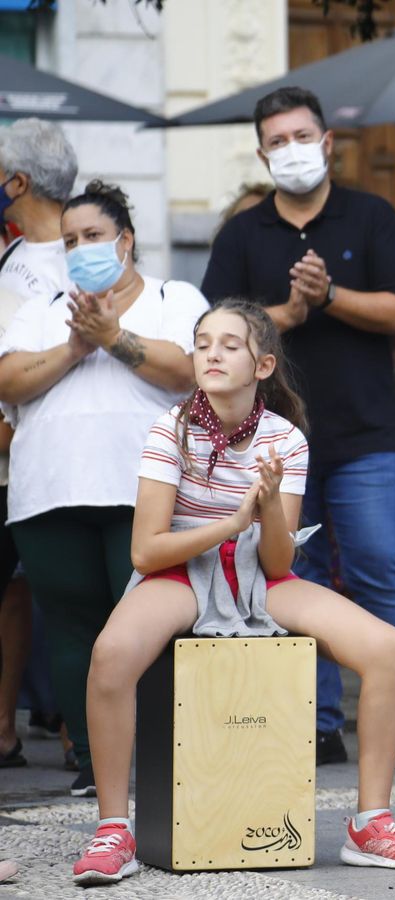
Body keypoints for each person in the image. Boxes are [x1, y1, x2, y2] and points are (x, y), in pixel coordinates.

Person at [68, 300, 395, 885]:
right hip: (181, 567)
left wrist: (267, 512)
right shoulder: (171, 428)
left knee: (388, 647)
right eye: (202, 343)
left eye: (229, 344)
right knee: (111, 655)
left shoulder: (285, 439)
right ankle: (113, 828)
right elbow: (146, 550)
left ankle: (371, 824)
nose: (211, 353)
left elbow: (277, 560)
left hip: (258, 573)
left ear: (263, 365)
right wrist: (231, 522)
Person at [201, 86, 395, 768]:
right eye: (278, 141)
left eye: (303, 136)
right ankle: (319, 723)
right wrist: (290, 314)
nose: (292, 150)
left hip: (366, 438)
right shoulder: (244, 234)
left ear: (328, 143)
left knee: (380, 573)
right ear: (262, 153)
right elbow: (218, 332)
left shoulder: (371, 217)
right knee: (289, 578)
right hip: (271, 446)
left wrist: (331, 295)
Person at [0, 180, 209, 796]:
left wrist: (115, 338)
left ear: (126, 240)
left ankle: (162, 759)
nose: (80, 250)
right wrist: (74, 345)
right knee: (72, 630)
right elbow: (9, 379)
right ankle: (95, 765)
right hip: (50, 493)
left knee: (145, 625)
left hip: (144, 494)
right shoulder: (40, 311)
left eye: (92, 236)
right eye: (69, 241)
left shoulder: (174, 296)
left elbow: (189, 369)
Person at [0, 118, 78, 768]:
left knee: (66, 599)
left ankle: (81, 737)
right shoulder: (7, 258)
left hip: (55, 459)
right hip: (20, 459)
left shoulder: (93, 255)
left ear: (17, 181)